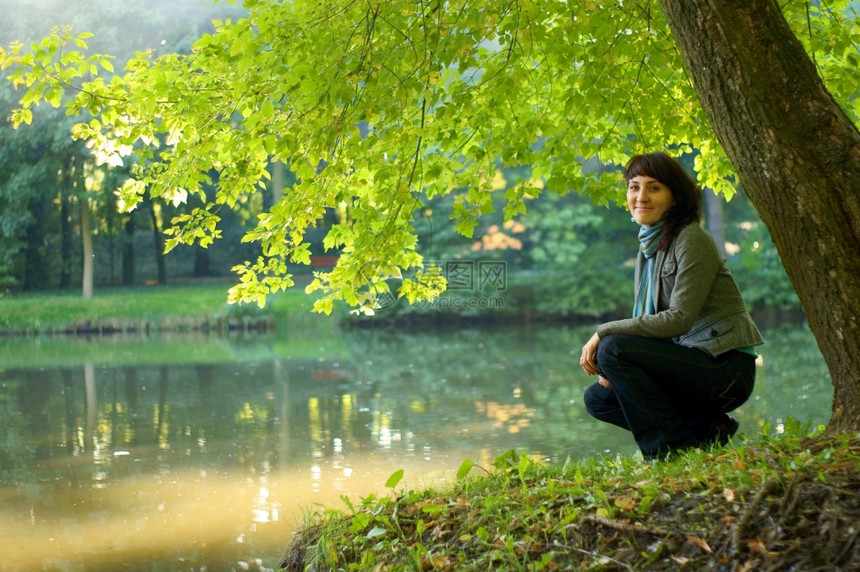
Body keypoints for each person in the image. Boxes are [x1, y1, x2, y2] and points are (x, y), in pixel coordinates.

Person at [580, 152, 764, 461]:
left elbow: (678, 319)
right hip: (690, 364)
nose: (641, 196)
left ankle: (666, 454)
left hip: (726, 371)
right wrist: (616, 365)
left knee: (613, 347)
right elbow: (647, 325)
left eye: (654, 188)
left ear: (675, 197)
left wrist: (604, 333)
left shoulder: (691, 238)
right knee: (599, 399)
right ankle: (705, 430)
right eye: (634, 187)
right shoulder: (649, 248)